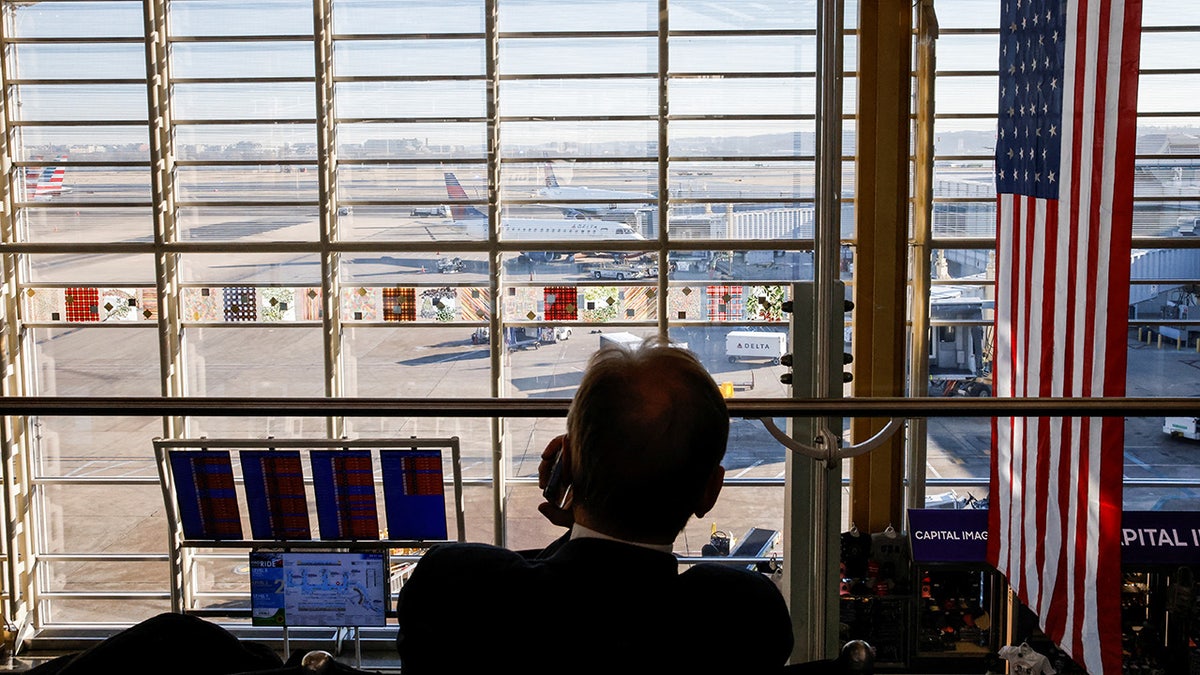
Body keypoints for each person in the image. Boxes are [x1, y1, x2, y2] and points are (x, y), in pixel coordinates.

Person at [394, 336, 795, 673]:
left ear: (564, 465)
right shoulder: (744, 619)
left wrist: (579, 529)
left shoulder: (454, 591)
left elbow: (571, 591)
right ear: (711, 491)